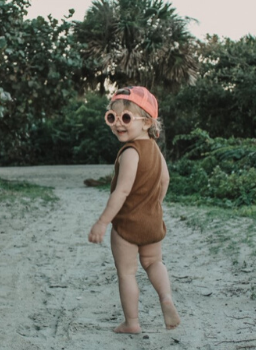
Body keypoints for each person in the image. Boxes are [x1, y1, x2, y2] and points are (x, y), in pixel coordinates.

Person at [88, 86, 181, 333]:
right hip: (152, 221)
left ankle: (132, 323)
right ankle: (166, 298)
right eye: (112, 117)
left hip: (127, 225)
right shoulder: (155, 149)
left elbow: (121, 192)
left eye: (126, 117)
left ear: (147, 121)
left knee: (127, 273)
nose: (118, 124)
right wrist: (155, 204)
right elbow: (165, 180)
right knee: (153, 262)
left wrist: (103, 221)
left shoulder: (130, 152)